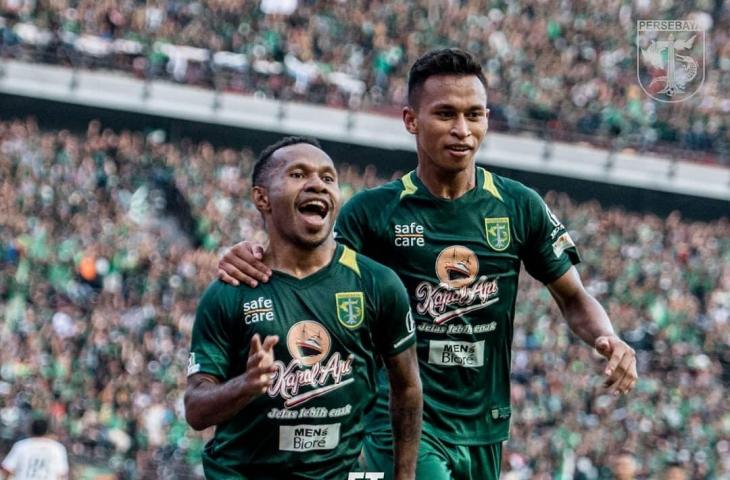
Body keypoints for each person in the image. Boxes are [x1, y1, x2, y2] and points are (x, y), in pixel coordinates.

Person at [218, 48, 638, 480]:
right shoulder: (373, 213)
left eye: (474, 115)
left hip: (483, 426)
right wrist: (249, 252)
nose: (462, 130)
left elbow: (573, 296)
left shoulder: (518, 207)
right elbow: (308, 267)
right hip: (399, 419)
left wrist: (608, 337)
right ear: (411, 121)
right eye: (445, 114)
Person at [185, 136, 422, 480]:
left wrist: (404, 477)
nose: (317, 184)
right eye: (298, 174)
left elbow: (407, 388)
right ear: (261, 197)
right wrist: (247, 384)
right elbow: (195, 410)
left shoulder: (376, 283)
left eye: (328, 178)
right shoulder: (230, 292)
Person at [0, 417, 69, 480]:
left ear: (31, 430)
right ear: (47, 431)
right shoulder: (57, 448)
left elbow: (7, 469)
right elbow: (62, 474)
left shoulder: (21, 446)